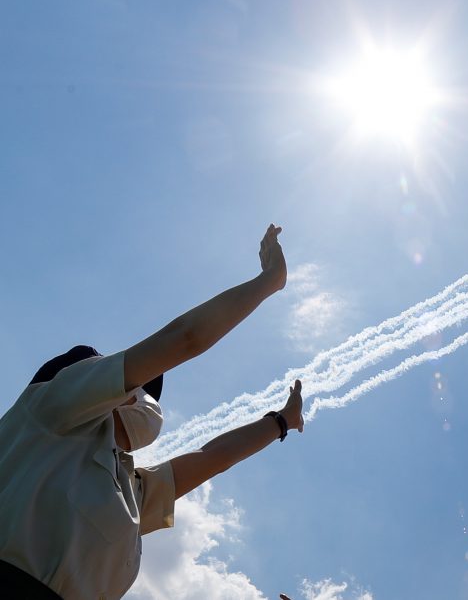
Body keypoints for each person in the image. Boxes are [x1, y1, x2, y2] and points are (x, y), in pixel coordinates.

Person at [0, 224, 303, 599]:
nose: (141, 397)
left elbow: (216, 456)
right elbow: (186, 339)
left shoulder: (130, 489)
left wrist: (282, 422)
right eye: (136, 387)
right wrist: (270, 280)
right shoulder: (52, 410)